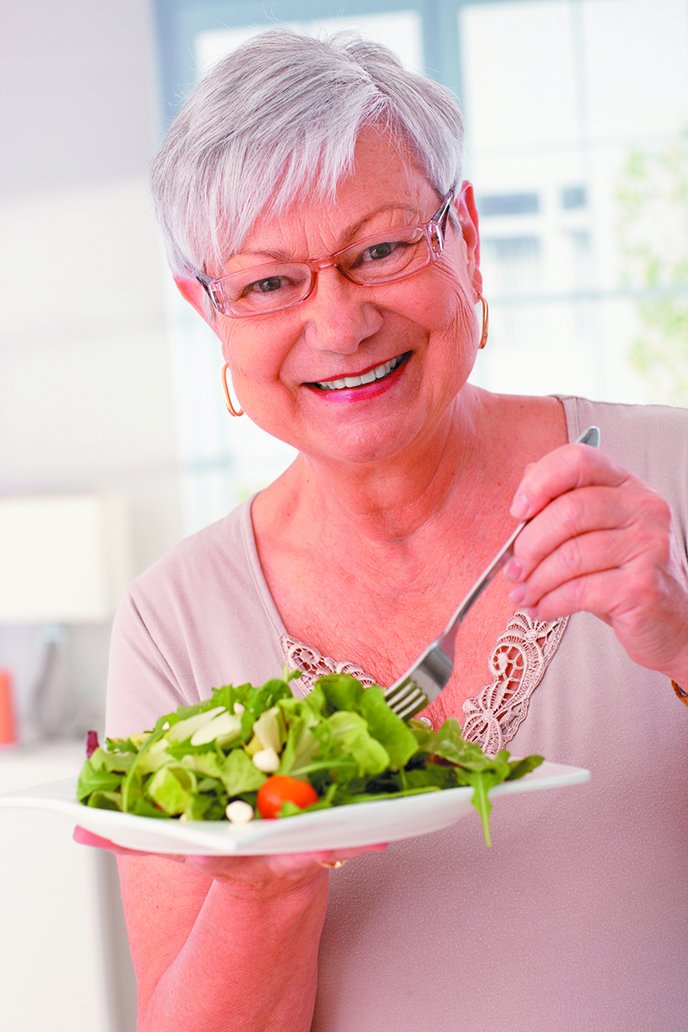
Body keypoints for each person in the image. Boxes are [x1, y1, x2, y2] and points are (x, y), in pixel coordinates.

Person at [93, 28, 688, 1032]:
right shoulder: (174, 623)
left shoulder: (664, 480)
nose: (338, 324)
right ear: (209, 312)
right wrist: (263, 887)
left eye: (379, 249)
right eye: (271, 283)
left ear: (466, 235)